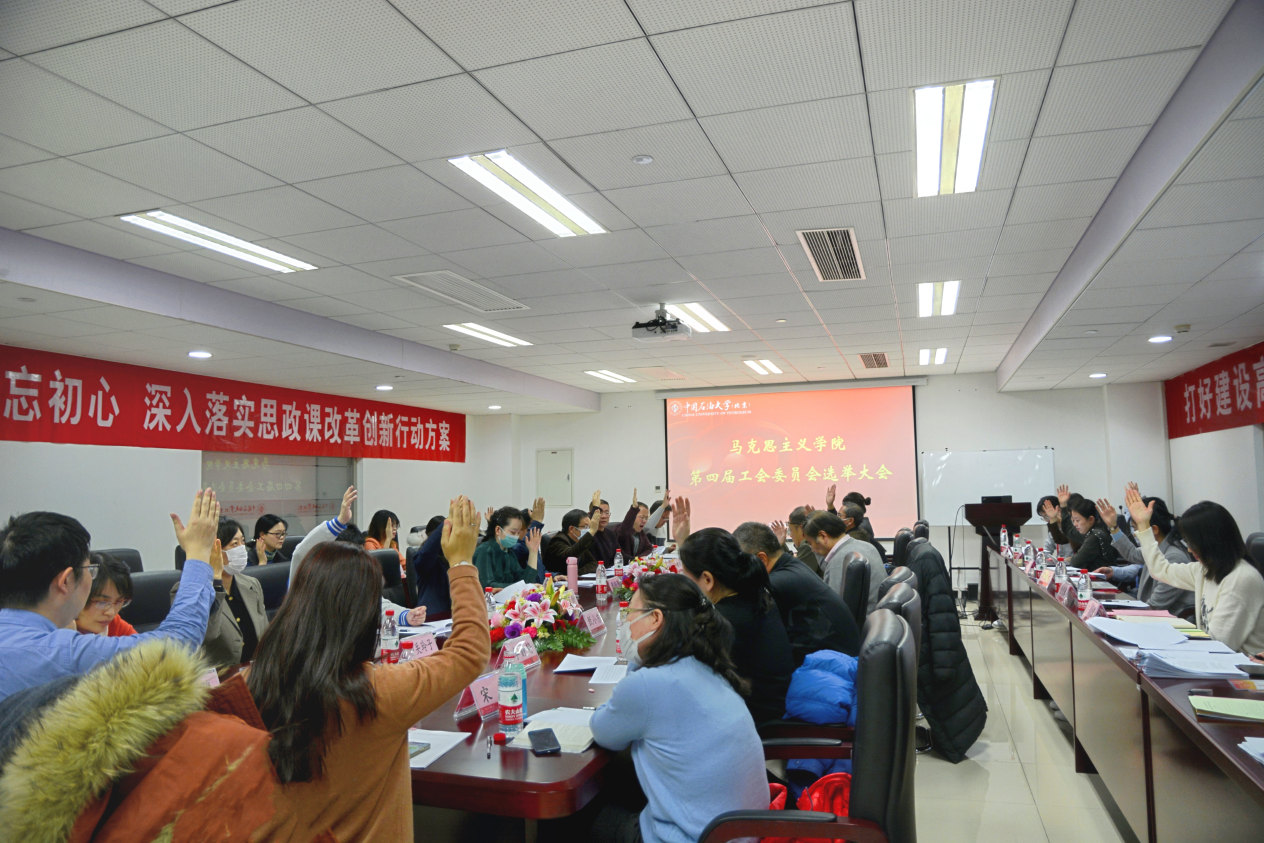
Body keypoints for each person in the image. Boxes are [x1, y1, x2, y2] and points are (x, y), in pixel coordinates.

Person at [247, 496, 491, 842]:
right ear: (364, 616)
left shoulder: (251, 684)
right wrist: (462, 563)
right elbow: (468, 652)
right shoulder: (377, 692)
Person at [589, 574, 767, 843]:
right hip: (741, 830)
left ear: (655, 619)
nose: (626, 623)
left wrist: (638, 660)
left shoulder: (647, 684)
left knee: (585, 815)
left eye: (630, 614)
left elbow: (603, 731)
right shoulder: (707, 663)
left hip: (695, 836)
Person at [0, 489, 220, 702]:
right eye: (90, 570)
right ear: (65, 581)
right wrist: (198, 553)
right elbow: (177, 646)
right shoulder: (62, 653)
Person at [1125, 487, 1264, 655]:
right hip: (1214, 659)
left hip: (1242, 667)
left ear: (1211, 541)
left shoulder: (1242, 579)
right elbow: (1160, 570)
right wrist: (1143, 526)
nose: (1190, 550)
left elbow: (1218, 644)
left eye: (1193, 543)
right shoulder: (1205, 570)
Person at [679, 527, 793, 723]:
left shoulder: (719, 622)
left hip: (752, 721)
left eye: (686, 576)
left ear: (707, 579)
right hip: (773, 707)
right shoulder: (759, 597)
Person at [291, 486, 424, 625]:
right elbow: (300, 554)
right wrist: (338, 522)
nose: (357, 561)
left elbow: (377, 606)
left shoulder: (357, 576)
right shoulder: (311, 578)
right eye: (351, 557)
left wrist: (405, 615)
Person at [734, 521, 860, 663]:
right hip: (839, 657)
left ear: (761, 559)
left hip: (834, 667)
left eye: (741, 564)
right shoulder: (791, 567)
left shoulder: (777, 582)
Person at [173, 516, 268, 668]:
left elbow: (265, 635)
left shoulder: (252, 584)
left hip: (254, 671)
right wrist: (216, 581)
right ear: (213, 549)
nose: (241, 549)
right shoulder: (187, 590)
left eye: (242, 541)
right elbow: (208, 634)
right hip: (217, 677)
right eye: (234, 544)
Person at [1094, 492, 1194, 614]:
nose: (1135, 534)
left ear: (1154, 529)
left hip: (1169, 620)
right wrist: (1113, 527)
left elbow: (1155, 606)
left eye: (1137, 529)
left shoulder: (1174, 557)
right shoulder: (1159, 547)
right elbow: (1132, 553)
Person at [805, 508, 883, 614]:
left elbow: (833, 611)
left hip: (861, 622)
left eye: (810, 543)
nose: (812, 550)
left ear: (823, 536)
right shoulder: (867, 546)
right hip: (876, 619)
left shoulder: (840, 561)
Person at [474, 506, 543, 589]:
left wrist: (533, 552)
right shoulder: (484, 551)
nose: (516, 536)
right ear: (498, 530)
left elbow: (525, 581)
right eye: (513, 532)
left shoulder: (509, 552)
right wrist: (521, 586)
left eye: (518, 533)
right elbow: (488, 586)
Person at [73, 552, 135, 636]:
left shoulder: (114, 625)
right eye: (102, 602)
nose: (111, 613)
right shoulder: (55, 632)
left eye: (119, 602)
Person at [545, 507, 602, 575]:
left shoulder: (577, 541)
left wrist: (577, 572)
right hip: (559, 580)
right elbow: (570, 557)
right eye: (585, 527)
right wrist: (592, 531)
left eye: (589, 527)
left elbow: (593, 563)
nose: (588, 530)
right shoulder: (557, 541)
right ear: (571, 529)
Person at [1066, 498, 1118, 570]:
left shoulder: (1094, 536)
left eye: (1077, 520)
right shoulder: (1100, 529)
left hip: (1101, 576)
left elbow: (1075, 562)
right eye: (1073, 520)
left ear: (1091, 519)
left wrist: (1071, 559)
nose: (1075, 524)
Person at [834, 488, 886, 559]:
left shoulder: (853, 539)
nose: (837, 518)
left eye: (840, 515)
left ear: (850, 520)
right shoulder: (857, 530)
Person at [616, 489, 658, 561]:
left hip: (634, 564)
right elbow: (623, 532)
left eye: (646, 518)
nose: (644, 521)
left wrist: (638, 559)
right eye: (641, 517)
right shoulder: (620, 529)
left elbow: (649, 548)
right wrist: (633, 509)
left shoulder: (640, 533)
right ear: (633, 516)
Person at [365, 509, 405, 579]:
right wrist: (388, 539)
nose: (395, 529)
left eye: (396, 525)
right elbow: (380, 567)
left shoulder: (392, 544)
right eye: (391, 526)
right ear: (381, 527)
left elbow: (403, 563)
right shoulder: (369, 544)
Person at [784, 506, 822, 576]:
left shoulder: (807, 547)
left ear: (801, 529)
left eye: (791, 530)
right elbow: (794, 563)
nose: (791, 535)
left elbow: (793, 574)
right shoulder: (810, 546)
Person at [510, 498, 546, 566]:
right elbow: (524, 549)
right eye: (531, 528)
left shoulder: (533, 543)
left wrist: (553, 574)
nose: (534, 532)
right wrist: (537, 522)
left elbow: (540, 569)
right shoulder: (512, 545)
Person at [589, 492, 620, 565]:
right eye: (600, 513)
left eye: (606, 512)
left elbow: (620, 555)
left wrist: (637, 559)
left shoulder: (610, 533)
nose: (604, 516)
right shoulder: (589, 534)